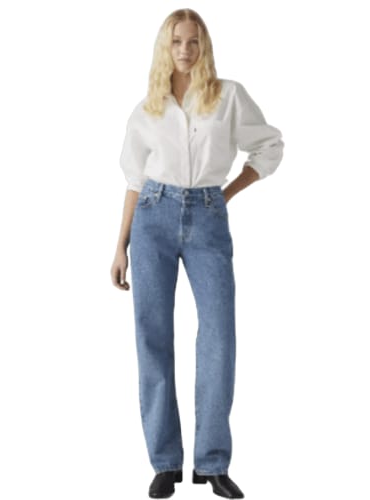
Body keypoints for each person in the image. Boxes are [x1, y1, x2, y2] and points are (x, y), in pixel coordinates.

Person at [111, 8, 284, 499]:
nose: (185, 50)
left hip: (208, 218)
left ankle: (212, 462)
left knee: (219, 337)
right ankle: (165, 462)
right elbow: (134, 180)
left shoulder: (228, 96)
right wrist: (120, 244)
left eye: (193, 41)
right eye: (176, 41)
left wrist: (224, 194)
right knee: (152, 337)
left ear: (204, 45)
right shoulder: (148, 107)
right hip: (152, 218)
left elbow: (269, 147)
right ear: (164, 47)